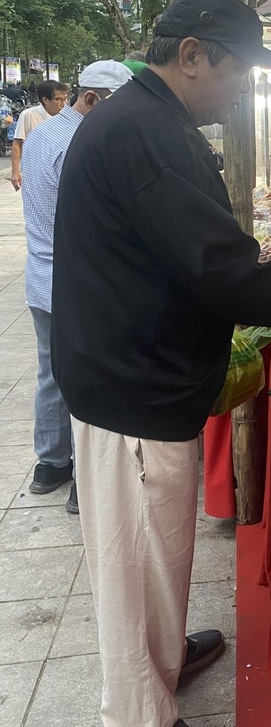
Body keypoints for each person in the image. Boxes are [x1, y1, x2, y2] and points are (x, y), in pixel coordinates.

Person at [50, 0, 271, 727]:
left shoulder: (151, 121)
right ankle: (142, 709)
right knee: (136, 560)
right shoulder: (143, 133)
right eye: (241, 72)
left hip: (139, 375)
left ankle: (165, 655)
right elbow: (221, 271)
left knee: (159, 554)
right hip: (130, 388)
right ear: (191, 55)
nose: (246, 89)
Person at [21, 60, 133, 516]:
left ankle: (50, 464)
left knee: (52, 372)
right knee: (89, 376)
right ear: (92, 100)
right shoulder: (84, 140)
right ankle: (83, 482)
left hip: (41, 277)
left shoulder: (42, 134)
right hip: (76, 280)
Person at [10, 79, 68, 191]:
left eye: (65, 99)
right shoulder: (29, 115)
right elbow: (17, 144)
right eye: (58, 100)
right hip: (35, 173)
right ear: (45, 100)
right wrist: (15, 172)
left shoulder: (66, 116)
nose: (63, 104)